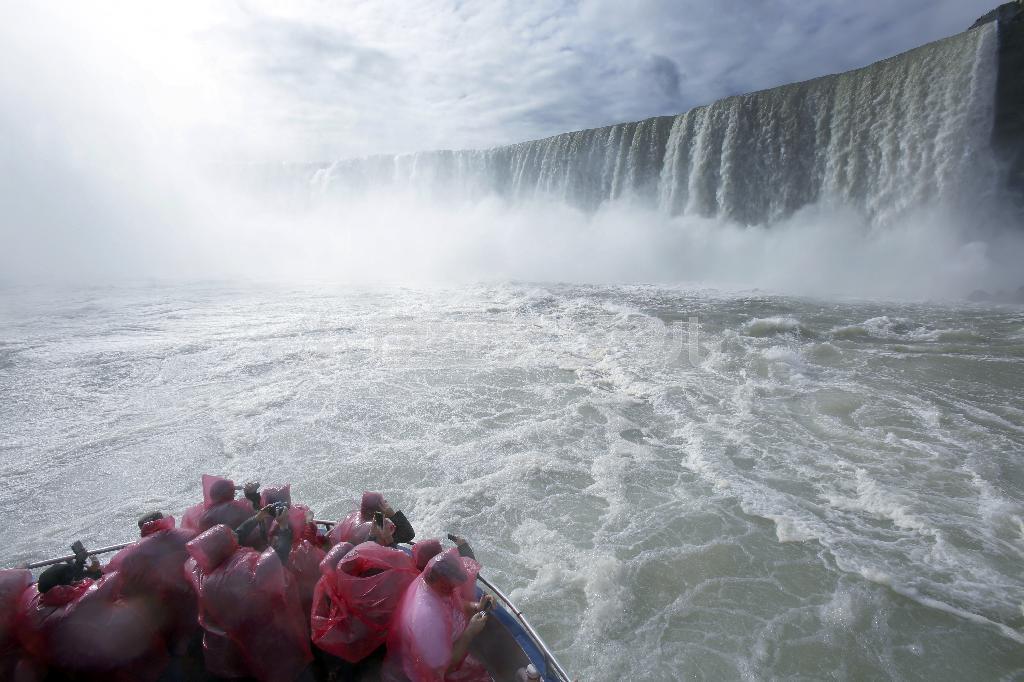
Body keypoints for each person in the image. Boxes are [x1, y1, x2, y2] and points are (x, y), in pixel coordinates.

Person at [383, 549, 492, 682]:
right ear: (442, 583)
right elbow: (442, 669)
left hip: (444, 649)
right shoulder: (427, 619)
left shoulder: (432, 582)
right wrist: (469, 632)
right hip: (423, 673)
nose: (453, 590)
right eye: (450, 587)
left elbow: (453, 602)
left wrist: (477, 607)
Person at [36, 542, 102, 594]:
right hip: (50, 584)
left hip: (50, 580)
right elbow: (71, 580)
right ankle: (80, 561)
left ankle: (80, 561)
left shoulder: (69, 570)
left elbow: (75, 571)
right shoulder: (69, 574)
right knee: (74, 571)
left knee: (74, 570)